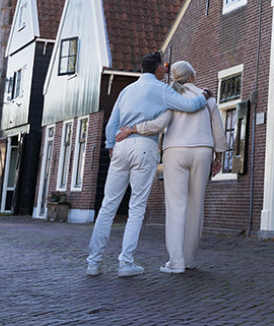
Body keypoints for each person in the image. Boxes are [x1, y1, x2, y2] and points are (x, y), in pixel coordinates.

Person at [85, 51, 207, 278]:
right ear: (159, 68)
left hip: (121, 147)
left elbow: (112, 124)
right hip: (144, 147)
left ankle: (93, 262)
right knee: (136, 207)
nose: (165, 69)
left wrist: (112, 148)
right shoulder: (162, 90)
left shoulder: (126, 90)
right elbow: (190, 106)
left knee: (108, 206)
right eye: (164, 66)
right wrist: (205, 95)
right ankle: (125, 263)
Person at [115, 59, 226, 274]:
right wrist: (218, 158)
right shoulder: (208, 99)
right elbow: (219, 133)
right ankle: (190, 261)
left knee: (176, 207)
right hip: (203, 150)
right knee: (196, 206)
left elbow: (158, 125)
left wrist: (133, 129)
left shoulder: (170, 97)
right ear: (192, 77)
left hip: (175, 152)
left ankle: (175, 263)